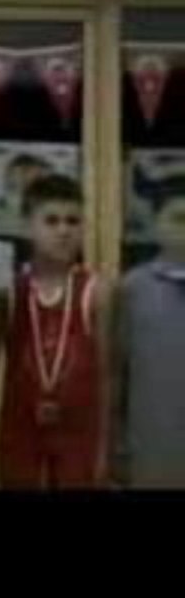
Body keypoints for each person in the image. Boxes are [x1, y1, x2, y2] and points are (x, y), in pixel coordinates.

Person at [0, 174, 111, 489]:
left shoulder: (96, 292)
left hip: (78, 433)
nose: (63, 230)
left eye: (73, 221)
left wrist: (107, 449)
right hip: (20, 430)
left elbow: (108, 375)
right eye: (51, 220)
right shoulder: (5, 291)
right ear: (27, 226)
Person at [113, 173, 185, 488]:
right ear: (157, 224)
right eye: (179, 218)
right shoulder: (133, 288)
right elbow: (117, 372)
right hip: (151, 446)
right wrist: (115, 442)